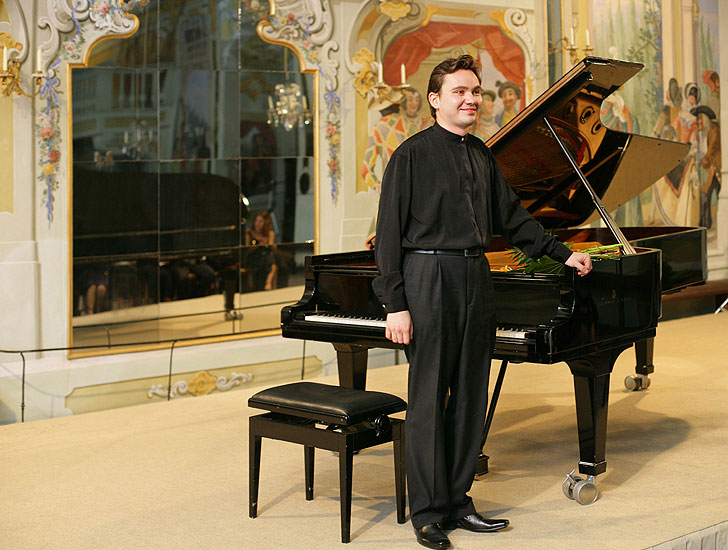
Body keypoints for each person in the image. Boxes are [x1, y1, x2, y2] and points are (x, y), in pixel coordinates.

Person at [373, 55, 592, 550]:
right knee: (429, 400)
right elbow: (387, 235)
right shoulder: (409, 156)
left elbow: (513, 219)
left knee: (471, 396)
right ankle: (427, 512)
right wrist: (395, 304)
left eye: (475, 91)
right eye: (459, 92)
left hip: (475, 274)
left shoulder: (481, 155)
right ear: (435, 100)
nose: (471, 99)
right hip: (426, 276)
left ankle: (457, 500)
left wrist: (563, 254)